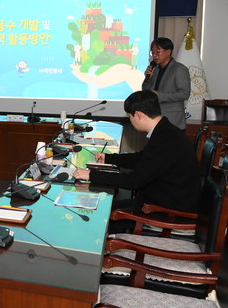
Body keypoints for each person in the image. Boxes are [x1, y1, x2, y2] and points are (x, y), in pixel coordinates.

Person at [73, 90, 201, 214]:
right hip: (163, 199)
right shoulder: (165, 131)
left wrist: (91, 175)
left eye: (130, 116)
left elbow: (133, 181)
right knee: (105, 205)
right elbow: (142, 158)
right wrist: (109, 158)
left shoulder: (165, 140)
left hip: (168, 210)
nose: (130, 120)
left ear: (138, 115)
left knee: (101, 209)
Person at [141, 37, 191, 130]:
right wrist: (147, 79)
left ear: (168, 52)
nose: (154, 56)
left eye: (158, 52)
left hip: (172, 120)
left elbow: (185, 94)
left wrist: (160, 95)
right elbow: (145, 90)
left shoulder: (179, 69)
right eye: (153, 52)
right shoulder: (156, 69)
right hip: (155, 118)